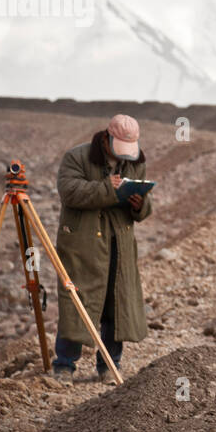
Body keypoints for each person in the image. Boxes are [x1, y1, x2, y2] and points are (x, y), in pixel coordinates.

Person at [51, 114, 153, 381]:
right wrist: (108, 189)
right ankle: (64, 365)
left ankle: (110, 365)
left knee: (115, 305)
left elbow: (145, 206)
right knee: (76, 300)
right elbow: (70, 192)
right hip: (83, 244)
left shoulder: (135, 162)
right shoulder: (77, 157)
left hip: (118, 243)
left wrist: (138, 204)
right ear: (107, 139)